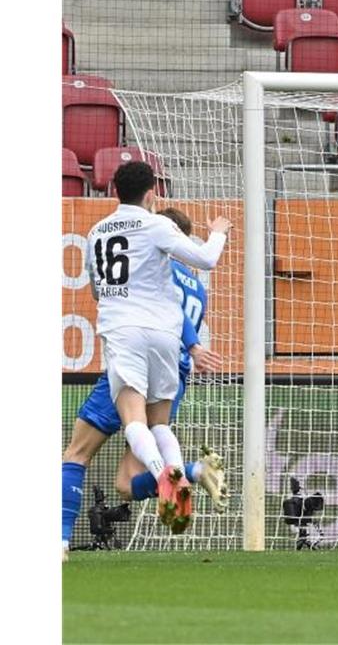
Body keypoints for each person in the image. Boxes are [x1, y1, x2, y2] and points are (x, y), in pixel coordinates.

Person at [62, 208, 230, 559]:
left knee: (77, 452)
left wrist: (194, 345)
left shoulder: (155, 268)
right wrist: (195, 347)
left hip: (136, 361)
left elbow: (159, 309)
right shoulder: (197, 286)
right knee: (125, 485)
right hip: (174, 373)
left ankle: (58, 540)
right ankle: (190, 471)